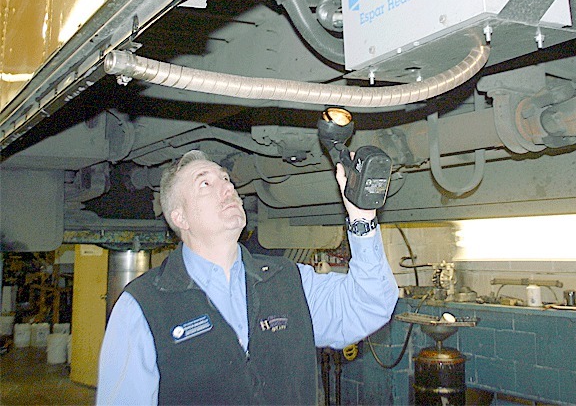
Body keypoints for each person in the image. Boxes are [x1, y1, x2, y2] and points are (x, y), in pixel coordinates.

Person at [96, 150, 398, 406]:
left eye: (226, 179)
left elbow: (370, 306)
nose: (227, 188)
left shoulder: (290, 281)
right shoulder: (143, 305)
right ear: (180, 218)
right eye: (205, 184)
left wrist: (362, 219)